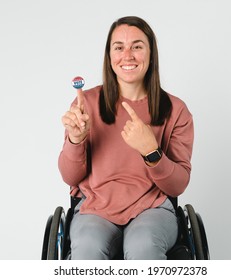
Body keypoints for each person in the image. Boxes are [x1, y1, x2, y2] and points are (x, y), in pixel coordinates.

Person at [58, 16, 194, 260]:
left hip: (152, 208)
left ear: (151, 54)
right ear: (109, 56)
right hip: (94, 208)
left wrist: (151, 151)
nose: (127, 55)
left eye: (137, 46)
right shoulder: (85, 104)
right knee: (87, 245)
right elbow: (70, 177)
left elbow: (178, 184)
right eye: (119, 47)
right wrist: (75, 141)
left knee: (143, 246)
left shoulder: (176, 110)